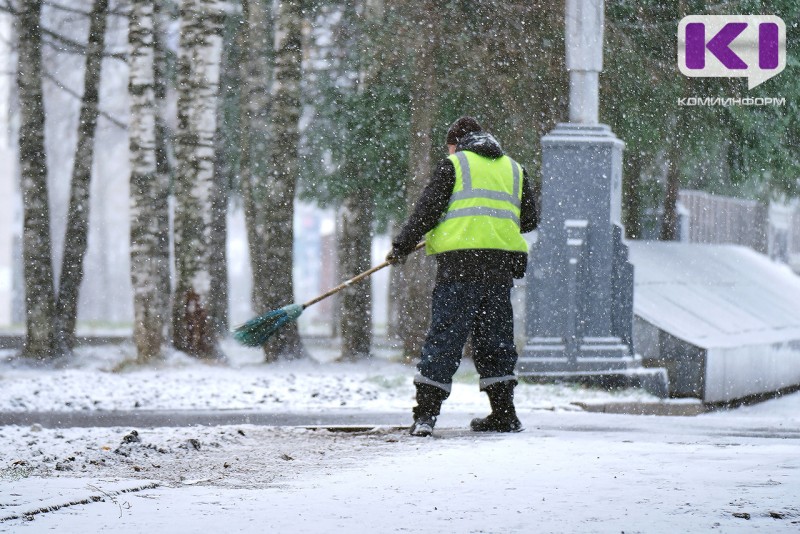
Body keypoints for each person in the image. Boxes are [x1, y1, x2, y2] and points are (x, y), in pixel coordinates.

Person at [387, 116, 538, 437]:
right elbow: (528, 221)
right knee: (495, 341)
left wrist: (402, 245)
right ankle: (504, 414)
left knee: (445, 339)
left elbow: (426, 210)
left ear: (456, 143)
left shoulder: (453, 166)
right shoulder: (514, 169)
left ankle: (425, 417)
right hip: (499, 269)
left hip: (459, 267)